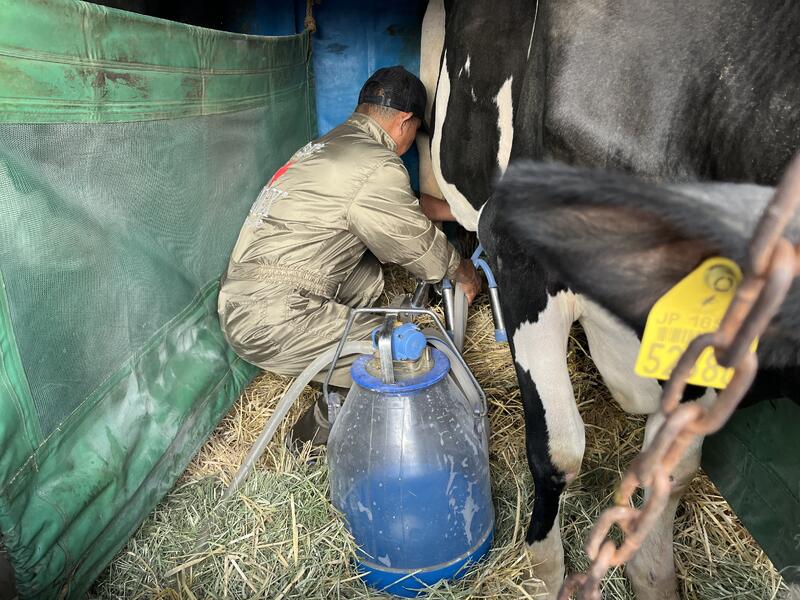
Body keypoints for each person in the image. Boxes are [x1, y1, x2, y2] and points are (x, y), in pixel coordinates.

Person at [218, 66, 480, 450]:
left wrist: (462, 212)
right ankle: (313, 440)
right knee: (412, 357)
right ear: (405, 122)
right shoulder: (377, 164)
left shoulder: (334, 146)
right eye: (416, 131)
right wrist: (462, 271)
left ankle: (343, 378)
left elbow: (399, 207)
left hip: (248, 301)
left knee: (367, 274)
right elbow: (419, 247)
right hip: (274, 318)